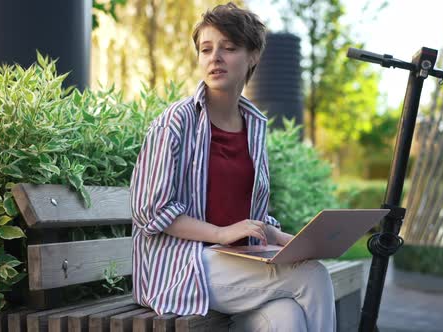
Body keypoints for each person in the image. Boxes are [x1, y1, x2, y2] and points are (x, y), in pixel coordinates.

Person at [129, 3, 335, 331]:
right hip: (183, 266)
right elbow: (150, 211)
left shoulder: (254, 125)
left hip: (238, 264)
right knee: (312, 276)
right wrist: (221, 234)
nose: (215, 58)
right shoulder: (175, 122)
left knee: (288, 317)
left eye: (229, 48)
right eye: (207, 49)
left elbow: (248, 214)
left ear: (253, 56)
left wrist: (287, 239)